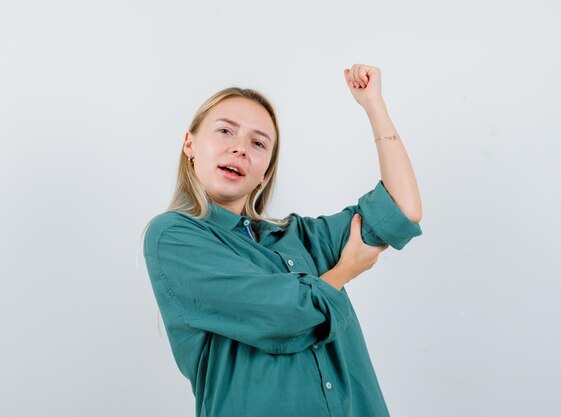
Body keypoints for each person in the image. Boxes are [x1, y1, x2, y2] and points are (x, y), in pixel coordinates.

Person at [143, 63, 423, 417]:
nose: (240, 149)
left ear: (265, 173)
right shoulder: (173, 236)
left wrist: (373, 105)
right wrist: (344, 272)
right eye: (225, 131)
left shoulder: (300, 238)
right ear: (190, 145)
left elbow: (403, 209)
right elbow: (283, 317)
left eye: (258, 143)